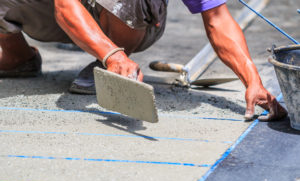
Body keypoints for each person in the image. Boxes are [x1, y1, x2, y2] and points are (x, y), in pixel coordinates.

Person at [0, 0, 287, 121]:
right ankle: (19, 57)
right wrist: (111, 54)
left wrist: (252, 80)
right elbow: (65, 5)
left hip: (132, 18)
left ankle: (114, 58)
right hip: (68, 14)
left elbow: (217, 19)